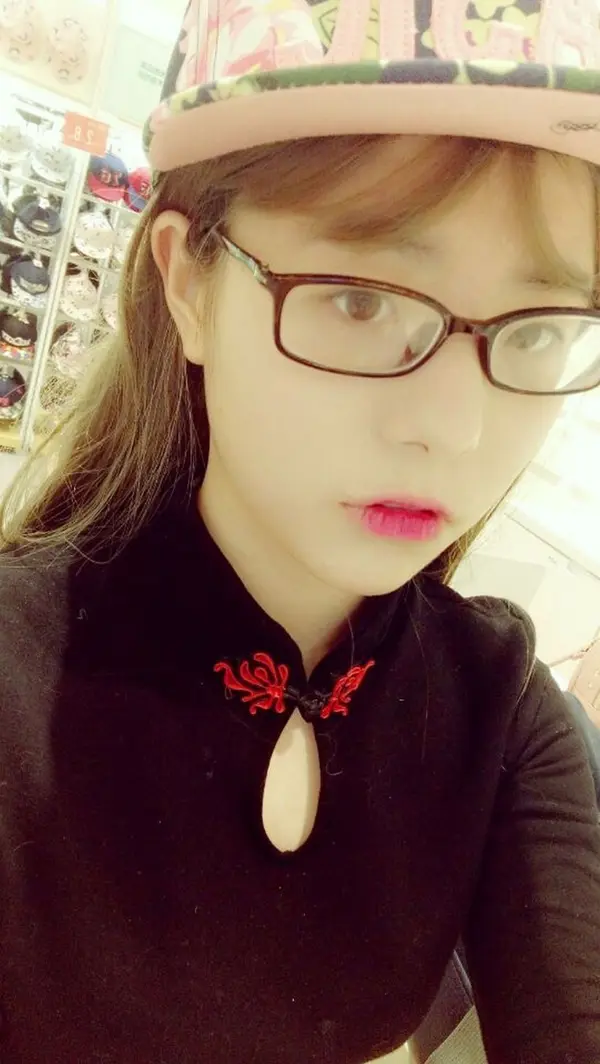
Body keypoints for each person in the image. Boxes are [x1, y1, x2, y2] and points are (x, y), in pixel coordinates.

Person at [0, 1, 599, 1061]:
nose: (453, 429)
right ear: (189, 283)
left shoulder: (500, 712)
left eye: (539, 328)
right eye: (361, 301)